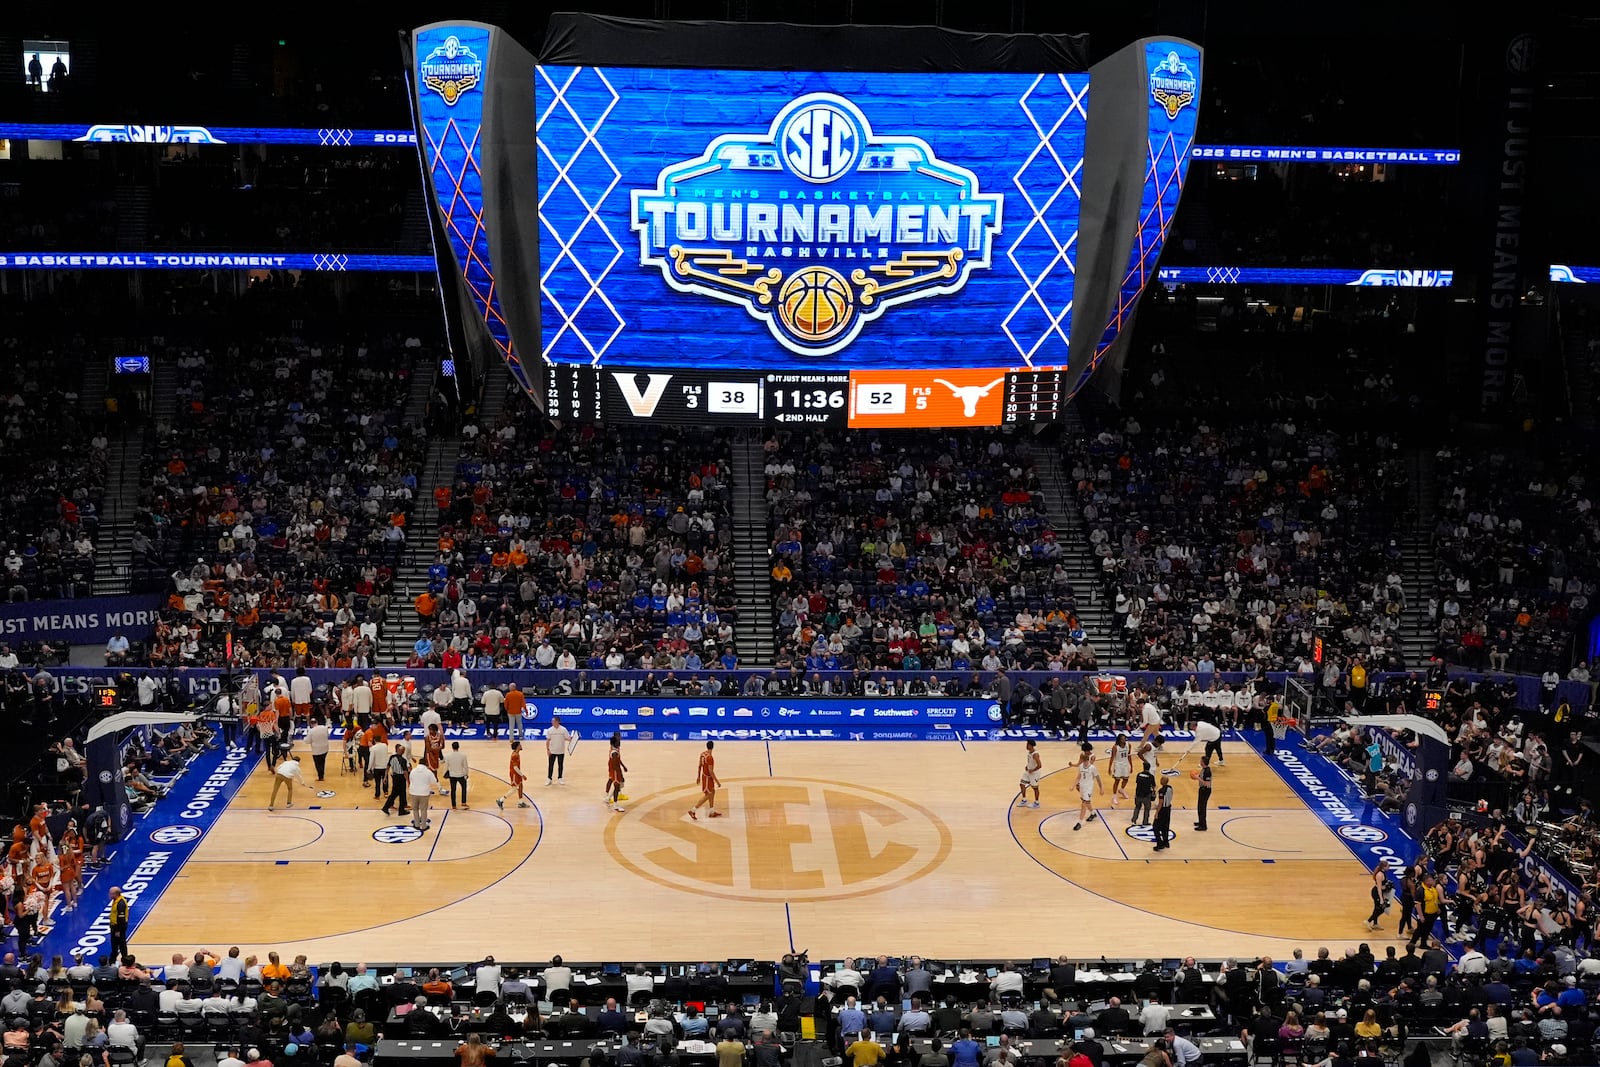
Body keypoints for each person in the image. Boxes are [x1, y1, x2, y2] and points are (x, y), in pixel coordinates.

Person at [688, 740, 723, 820]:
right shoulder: (710, 758)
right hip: (708, 778)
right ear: (713, 747)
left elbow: (699, 766)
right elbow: (711, 771)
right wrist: (717, 781)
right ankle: (693, 810)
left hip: (704, 776)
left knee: (712, 792)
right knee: (708, 795)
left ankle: (712, 811)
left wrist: (698, 777)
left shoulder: (703, 754)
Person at [1072, 743, 1101, 831]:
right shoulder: (1082, 762)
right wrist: (1072, 765)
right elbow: (1079, 766)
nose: (1085, 753)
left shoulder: (1092, 764)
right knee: (1086, 801)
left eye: (1086, 751)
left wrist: (1101, 788)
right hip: (1082, 783)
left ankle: (1079, 822)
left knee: (1084, 804)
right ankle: (1092, 813)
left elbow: (1089, 767)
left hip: (1089, 785)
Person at [496, 741, 531, 810]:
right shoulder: (515, 755)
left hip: (516, 773)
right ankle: (501, 800)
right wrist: (522, 775)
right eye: (520, 745)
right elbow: (515, 767)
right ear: (517, 747)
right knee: (514, 789)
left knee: (520, 786)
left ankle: (520, 802)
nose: (521, 746)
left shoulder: (516, 753)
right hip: (514, 774)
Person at [380, 743, 411, 817]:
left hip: (394, 777)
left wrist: (385, 777)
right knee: (399, 794)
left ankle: (399, 809)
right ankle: (391, 808)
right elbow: (405, 772)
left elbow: (387, 767)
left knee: (398, 793)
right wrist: (408, 781)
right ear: (402, 752)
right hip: (400, 778)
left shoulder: (392, 757)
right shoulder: (403, 760)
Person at [408, 756, 438, 831]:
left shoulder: (413, 771)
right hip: (424, 793)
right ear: (426, 764)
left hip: (413, 792)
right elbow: (434, 782)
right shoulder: (428, 772)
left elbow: (410, 779)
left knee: (415, 809)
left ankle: (417, 824)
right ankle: (424, 826)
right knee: (423, 809)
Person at [1016, 740, 1043, 809]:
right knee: (1022, 784)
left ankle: (1037, 803)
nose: (1026, 746)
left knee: (1035, 788)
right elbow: (1031, 762)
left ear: (1031, 745)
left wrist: (1032, 770)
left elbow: (1040, 765)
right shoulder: (1029, 752)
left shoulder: (1035, 754)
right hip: (1028, 771)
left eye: (1027, 744)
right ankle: (1024, 800)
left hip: (1035, 773)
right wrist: (1027, 766)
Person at [545, 715, 571, 786]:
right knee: (550, 765)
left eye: (553, 721)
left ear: (558, 721)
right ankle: (549, 778)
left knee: (560, 765)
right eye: (552, 721)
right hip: (552, 751)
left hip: (561, 751)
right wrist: (548, 750)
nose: (552, 722)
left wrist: (573, 739)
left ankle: (560, 778)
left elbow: (567, 738)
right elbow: (547, 741)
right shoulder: (550, 730)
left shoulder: (563, 729)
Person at [1108, 733, 1133, 806]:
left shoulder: (1129, 745)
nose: (1124, 740)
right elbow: (1112, 758)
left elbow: (1129, 756)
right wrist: (1109, 768)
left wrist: (1131, 766)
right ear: (1119, 740)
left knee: (1126, 779)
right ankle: (1114, 796)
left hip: (1125, 764)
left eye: (1125, 738)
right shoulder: (1115, 747)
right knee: (1117, 780)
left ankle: (1122, 790)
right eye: (1122, 739)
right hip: (1118, 765)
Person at [444, 741, 471, 809]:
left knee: (453, 790)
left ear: (452, 747)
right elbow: (465, 766)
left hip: (452, 775)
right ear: (458, 747)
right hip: (461, 775)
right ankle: (463, 802)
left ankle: (454, 805)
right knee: (464, 788)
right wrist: (466, 774)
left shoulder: (448, 756)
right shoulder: (463, 755)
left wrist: (445, 773)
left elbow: (446, 766)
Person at [1151, 775, 1174, 852]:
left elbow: (1160, 803)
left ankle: (1159, 843)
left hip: (1163, 810)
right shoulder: (1170, 788)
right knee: (1165, 826)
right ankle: (1166, 842)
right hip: (1168, 808)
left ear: (1162, 781)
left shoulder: (1161, 791)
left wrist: (1157, 812)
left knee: (1155, 827)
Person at [606, 736, 628, 813]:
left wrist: (623, 766)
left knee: (618, 786)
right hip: (615, 771)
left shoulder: (615, 749)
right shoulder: (614, 753)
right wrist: (620, 776)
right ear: (614, 743)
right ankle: (615, 805)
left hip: (615, 770)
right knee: (617, 787)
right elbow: (616, 766)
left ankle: (608, 798)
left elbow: (618, 761)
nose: (619, 742)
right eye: (618, 741)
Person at [1131, 761, 1156, 826]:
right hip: (1146, 796)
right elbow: (1153, 786)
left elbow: (1137, 783)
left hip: (1138, 794)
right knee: (1147, 809)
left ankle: (1134, 820)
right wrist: (1154, 792)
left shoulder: (1139, 775)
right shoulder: (1151, 776)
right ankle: (1145, 821)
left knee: (1137, 807)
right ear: (1149, 768)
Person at [1191, 757, 1212, 831]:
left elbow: (1207, 783)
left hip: (1205, 790)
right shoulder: (1203, 769)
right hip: (1202, 789)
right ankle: (1201, 822)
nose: (1200, 761)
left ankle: (1203, 826)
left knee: (1202, 807)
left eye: (1201, 760)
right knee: (1199, 807)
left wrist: (1197, 778)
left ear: (1203, 762)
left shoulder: (1207, 771)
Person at [307, 717, 331, 782]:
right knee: (322, 762)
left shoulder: (311, 731)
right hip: (325, 748)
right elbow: (328, 735)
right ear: (317, 722)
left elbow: (307, 741)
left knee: (318, 764)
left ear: (311, 724)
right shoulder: (324, 728)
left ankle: (320, 777)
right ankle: (321, 775)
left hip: (316, 750)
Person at [108, 887, 129, 961]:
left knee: (120, 945)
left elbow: (121, 919)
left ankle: (124, 960)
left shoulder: (120, 904)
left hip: (118, 928)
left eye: (110, 893)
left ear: (115, 894)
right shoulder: (116, 900)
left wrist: (118, 931)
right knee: (115, 945)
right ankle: (114, 959)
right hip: (115, 927)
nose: (109, 895)